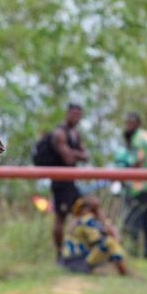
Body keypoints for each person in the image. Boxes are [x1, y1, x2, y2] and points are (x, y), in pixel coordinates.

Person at [37, 103, 90, 260]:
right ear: (67, 113)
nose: (76, 117)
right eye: (73, 114)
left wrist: (73, 153)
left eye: (79, 115)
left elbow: (86, 156)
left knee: (85, 210)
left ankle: (78, 250)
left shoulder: (75, 134)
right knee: (61, 217)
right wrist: (76, 154)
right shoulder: (59, 134)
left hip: (71, 181)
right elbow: (68, 159)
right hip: (59, 181)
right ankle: (59, 255)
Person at [120, 112, 147, 258]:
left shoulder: (139, 138)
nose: (128, 125)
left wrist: (123, 175)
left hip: (142, 184)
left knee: (136, 218)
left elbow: (138, 161)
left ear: (138, 123)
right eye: (127, 122)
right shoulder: (144, 135)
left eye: (131, 122)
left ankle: (134, 250)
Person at [62, 196, 132, 276]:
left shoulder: (80, 219)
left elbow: (112, 233)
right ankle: (124, 271)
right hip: (76, 260)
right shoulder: (86, 219)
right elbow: (98, 240)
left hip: (71, 260)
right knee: (109, 242)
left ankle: (119, 268)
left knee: (108, 243)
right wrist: (102, 217)